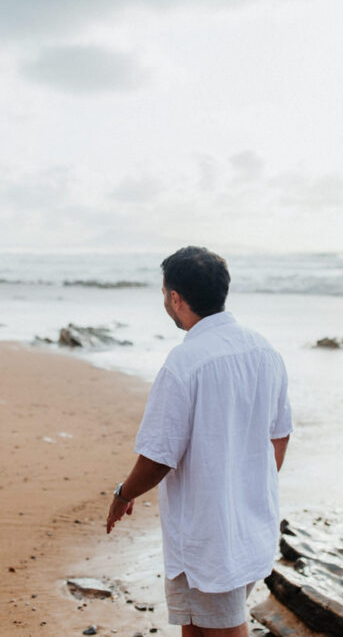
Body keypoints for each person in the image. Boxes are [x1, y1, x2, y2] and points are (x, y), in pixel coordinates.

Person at [106, 246, 292, 636]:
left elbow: (158, 458)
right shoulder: (264, 350)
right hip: (251, 523)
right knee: (195, 625)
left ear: (175, 298)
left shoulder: (184, 363)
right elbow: (280, 434)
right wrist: (248, 488)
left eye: (164, 294)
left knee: (224, 628)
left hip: (209, 535)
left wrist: (123, 494)